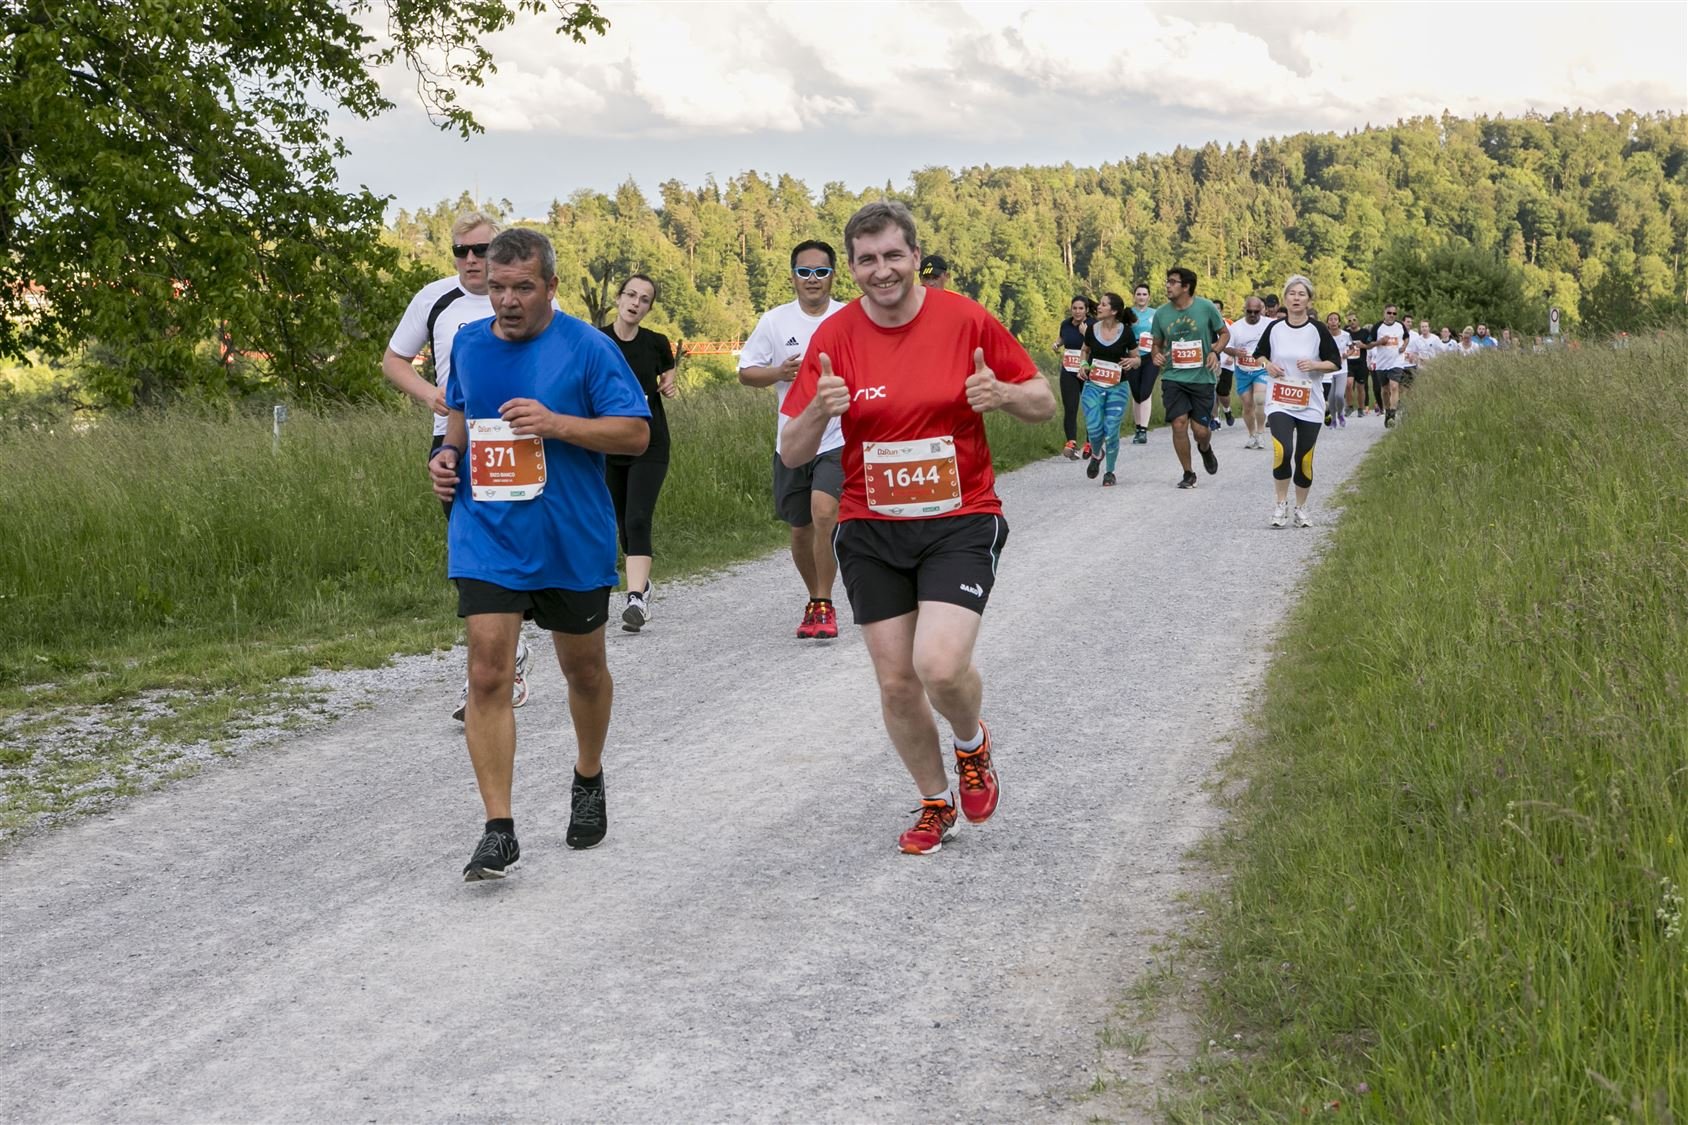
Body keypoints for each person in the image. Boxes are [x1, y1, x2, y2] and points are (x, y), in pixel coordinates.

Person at [779, 200, 1055, 856]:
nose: (881, 270)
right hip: (871, 526)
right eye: (866, 260)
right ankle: (935, 802)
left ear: (915, 256)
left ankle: (971, 744)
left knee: (938, 664)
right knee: (898, 681)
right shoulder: (835, 337)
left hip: (960, 518)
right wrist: (818, 411)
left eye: (893, 256)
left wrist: (1004, 395)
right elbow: (792, 451)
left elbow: (1043, 401)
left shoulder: (965, 319)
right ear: (851, 268)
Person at [426, 228, 651, 879]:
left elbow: (635, 434)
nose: (508, 300)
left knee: (585, 671)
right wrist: (446, 456)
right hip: (487, 531)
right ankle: (498, 828)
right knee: (487, 673)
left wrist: (556, 424)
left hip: (568, 536)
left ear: (551, 285)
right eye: (497, 287)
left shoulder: (588, 347)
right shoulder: (470, 343)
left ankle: (588, 774)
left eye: (522, 287)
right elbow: (461, 416)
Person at [383, 210, 533, 723]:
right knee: (472, 552)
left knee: (515, 546)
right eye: (461, 251)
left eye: (481, 250)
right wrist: (432, 395)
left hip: (516, 436)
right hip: (454, 440)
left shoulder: (522, 295)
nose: (471, 260)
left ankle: (504, 657)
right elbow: (393, 360)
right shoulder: (435, 298)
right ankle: (499, 663)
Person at [739, 240, 847, 639]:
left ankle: (825, 602)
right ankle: (814, 597)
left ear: (833, 275)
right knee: (801, 529)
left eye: (821, 271)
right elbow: (746, 372)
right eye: (805, 272)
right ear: (793, 277)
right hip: (792, 441)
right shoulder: (775, 321)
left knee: (824, 514)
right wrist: (779, 373)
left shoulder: (849, 317)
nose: (812, 279)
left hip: (837, 438)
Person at [601, 274, 677, 632]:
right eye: (631, 295)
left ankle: (635, 599)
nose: (636, 303)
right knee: (622, 523)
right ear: (618, 298)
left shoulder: (656, 343)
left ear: (649, 308)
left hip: (650, 442)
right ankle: (642, 585)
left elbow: (668, 370)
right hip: (608, 444)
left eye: (644, 299)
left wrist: (669, 381)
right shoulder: (596, 340)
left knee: (637, 518)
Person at [1255, 276, 1341, 528]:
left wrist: (1315, 365)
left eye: (1301, 294)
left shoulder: (1318, 329)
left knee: (1304, 458)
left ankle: (1301, 508)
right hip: (1279, 400)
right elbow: (1259, 355)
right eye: (1292, 293)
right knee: (1283, 451)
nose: (1296, 298)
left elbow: (1335, 362)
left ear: (1309, 300)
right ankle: (1280, 504)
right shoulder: (1274, 328)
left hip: (1310, 402)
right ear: (1285, 298)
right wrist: (1267, 365)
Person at [1150, 267, 1229, 489]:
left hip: (1202, 377)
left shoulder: (1206, 307)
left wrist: (1215, 352)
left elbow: (1224, 333)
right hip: (1173, 376)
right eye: (1167, 281)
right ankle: (1188, 473)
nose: (1167, 285)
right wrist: (1156, 355)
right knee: (1178, 424)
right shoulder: (1161, 313)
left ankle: (1205, 448)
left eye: (1172, 282)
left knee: (1200, 431)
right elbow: (1156, 344)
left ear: (1186, 287)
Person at [1078, 291, 1140, 486]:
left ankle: (1110, 472)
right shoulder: (1091, 329)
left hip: (1117, 387)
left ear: (1113, 311)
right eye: (1100, 304)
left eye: (1103, 304)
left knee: (1111, 430)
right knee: (1094, 428)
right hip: (1093, 386)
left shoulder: (1126, 332)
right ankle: (1097, 454)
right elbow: (1085, 350)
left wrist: (1133, 361)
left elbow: (1137, 358)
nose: (1099, 307)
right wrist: (1083, 365)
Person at [1224, 296, 1271, 448]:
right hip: (1243, 370)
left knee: (1260, 399)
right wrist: (1235, 352)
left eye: (1256, 312)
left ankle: (1261, 433)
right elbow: (1225, 346)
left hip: (1261, 368)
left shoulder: (1269, 324)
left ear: (1261, 310)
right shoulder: (1236, 327)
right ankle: (1252, 435)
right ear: (1244, 310)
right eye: (1249, 311)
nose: (1252, 315)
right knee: (1248, 404)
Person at [1055, 296, 1094, 460]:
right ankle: (1071, 442)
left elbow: (1099, 345)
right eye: (1074, 308)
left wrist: (1086, 334)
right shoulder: (1065, 324)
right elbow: (1063, 337)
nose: (1077, 312)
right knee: (1070, 407)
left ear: (1086, 310)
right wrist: (1057, 344)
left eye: (1081, 308)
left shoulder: (1093, 324)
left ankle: (1090, 442)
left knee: (1090, 408)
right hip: (1069, 370)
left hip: (1087, 371)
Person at [1127, 283, 1159, 444]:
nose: (1141, 297)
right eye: (1138, 294)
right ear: (1134, 296)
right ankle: (1138, 427)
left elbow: (1162, 333)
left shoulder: (1156, 313)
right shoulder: (1128, 313)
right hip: (1133, 356)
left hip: (1150, 356)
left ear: (1149, 297)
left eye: (1144, 294)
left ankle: (1143, 430)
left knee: (1146, 391)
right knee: (1136, 392)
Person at [1370, 303, 1408, 427]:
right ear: (1384, 313)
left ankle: (1392, 413)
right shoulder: (1378, 327)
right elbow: (1369, 343)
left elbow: (1406, 337)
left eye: (1394, 313)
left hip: (1397, 361)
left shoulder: (1400, 325)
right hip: (1382, 363)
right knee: (1385, 390)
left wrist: (1404, 346)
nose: (1392, 315)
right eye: (1389, 313)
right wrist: (1380, 342)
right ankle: (1387, 410)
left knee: (1394, 386)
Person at [1212, 298, 1236, 426]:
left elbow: (1236, 341)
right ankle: (1215, 419)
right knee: (1212, 390)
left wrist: (1232, 356)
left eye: (1217, 309)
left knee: (1222, 391)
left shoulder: (1229, 324)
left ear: (1221, 311)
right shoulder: (1205, 324)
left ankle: (1227, 410)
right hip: (1212, 362)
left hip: (1227, 363)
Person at [1325, 311, 1351, 428]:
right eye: (1330, 319)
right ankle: (1333, 419)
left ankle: (1340, 413)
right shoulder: (1325, 336)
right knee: (1330, 398)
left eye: (1335, 319)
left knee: (1339, 395)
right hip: (1328, 370)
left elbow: (1352, 348)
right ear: (1327, 323)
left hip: (1342, 369)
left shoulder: (1346, 335)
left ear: (1339, 322)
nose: (1333, 322)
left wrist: (1347, 354)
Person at [1343, 312, 1371, 417]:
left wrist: (1363, 345)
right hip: (1349, 363)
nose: (1352, 322)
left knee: (1360, 387)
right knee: (1348, 384)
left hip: (1361, 364)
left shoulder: (1365, 332)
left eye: (1354, 320)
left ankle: (1360, 408)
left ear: (1358, 321)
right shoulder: (1345, 333)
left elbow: (1371, 345)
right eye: (1349, 321)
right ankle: (1349, 406)